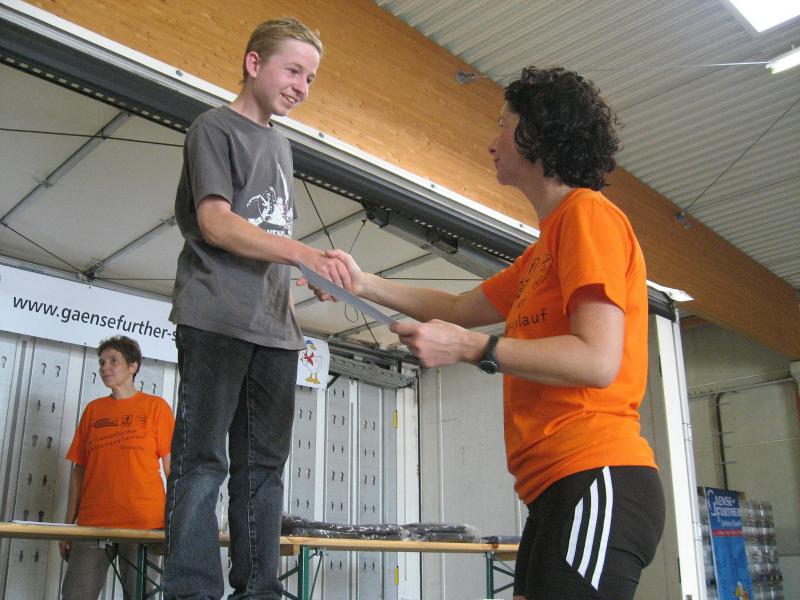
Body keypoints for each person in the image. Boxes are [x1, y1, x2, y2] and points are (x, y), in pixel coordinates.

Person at [312, 67, 665, 600]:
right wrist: (363, 283)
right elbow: (458, 307)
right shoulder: (542, 250)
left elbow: (597, 360)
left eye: (503, 124)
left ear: (536, 133)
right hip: (551, 489)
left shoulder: (588, 216)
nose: (492, 141)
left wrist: (469, 348)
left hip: (597, 473)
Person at [164, 17, 349, 599]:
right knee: (202, 462)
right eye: (293, 70)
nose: (302, 87)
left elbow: (270, 237)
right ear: (253, 63)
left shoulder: (282, 145)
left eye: (310, 78)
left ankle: (259, 589)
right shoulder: (213, 128)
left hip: (276, 329)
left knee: (264, 469)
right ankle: (193, 590)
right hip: (215, 317)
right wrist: (303, 253)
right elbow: (218, 224)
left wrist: (308, 276)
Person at [60, 336, 174, 600]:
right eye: (101, 363)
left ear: (133, 366)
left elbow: (172, 471)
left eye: (113, 361)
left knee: (141, 596)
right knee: (76, 596)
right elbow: (79, 471)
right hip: (93, 523)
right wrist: (67, 527)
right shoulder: (93, 410)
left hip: (145, 524)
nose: (105, 368)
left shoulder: (156, 407)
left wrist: (176, 522)